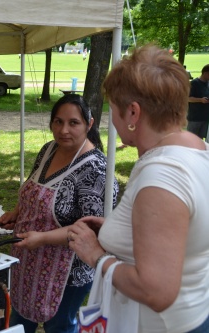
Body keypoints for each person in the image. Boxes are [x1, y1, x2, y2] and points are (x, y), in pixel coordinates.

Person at [68, 45, 209, 332]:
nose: (113, 121)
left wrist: (95, 254)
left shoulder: (161, 175)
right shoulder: (197, 148)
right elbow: (181, 231)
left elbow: (155, 291)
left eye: (114, 111)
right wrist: (123, 228)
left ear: (133, 113)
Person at [0, 93, 119, 333]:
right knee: (19, 317)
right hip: (28, 259)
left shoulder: (96, 171)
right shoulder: (49, 150)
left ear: (89, 124)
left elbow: (90, 230)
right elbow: (33, 187)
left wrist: (42, 238)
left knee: (59, 325)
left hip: (68, 270)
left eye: (73, 123)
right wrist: (17, 212)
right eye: (58, 122)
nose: (64, 130)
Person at [187, 64, 209, 139]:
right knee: (192, 139)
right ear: (206, 73)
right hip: (195, 118)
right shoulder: (194, 83)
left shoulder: (208, 83)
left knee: (201, 139)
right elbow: (188, 98)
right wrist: (200, 100)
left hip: (205, 118)